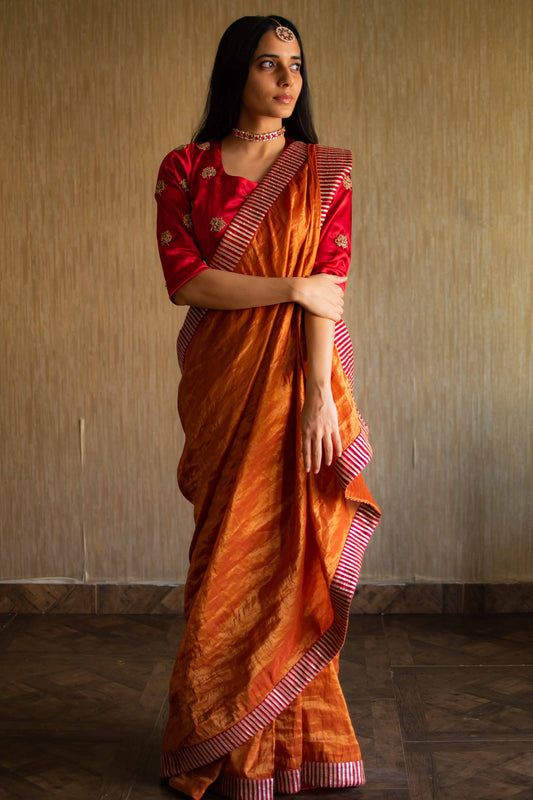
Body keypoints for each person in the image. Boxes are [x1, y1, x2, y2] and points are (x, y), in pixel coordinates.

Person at [154, 14, 381, 800]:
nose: (287, 80)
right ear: (235, 74)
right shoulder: (185, 168)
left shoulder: (323, 171)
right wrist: (288, 286)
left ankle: (294, 744)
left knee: (291, 549)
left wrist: (321, 397)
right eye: (267, 64)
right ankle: (212, 737)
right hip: (222, 387)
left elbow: (331, 291)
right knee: (225, 555)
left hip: (296, 387)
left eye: (295, 65)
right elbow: (188, 283)